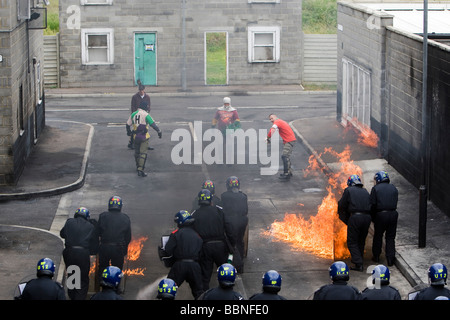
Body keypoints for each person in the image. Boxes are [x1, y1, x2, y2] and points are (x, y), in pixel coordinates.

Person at [192, 189, 235, 291]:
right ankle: (227, 294)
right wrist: (232, 244)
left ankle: (205, 296)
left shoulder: (195, 214)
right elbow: (229, 228)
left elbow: (191, 233)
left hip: (205, 247)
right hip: (221, 246)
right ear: (211, 200)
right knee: (225, 272)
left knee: (205, 277)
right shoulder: (219, 211)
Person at [60, 207, 99, 300]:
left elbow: (62, 234)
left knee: (72, 276)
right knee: (82, 280)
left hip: (69, 253)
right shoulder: (90, 226)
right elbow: (94, 246)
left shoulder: (69, 222)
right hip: (82, 254)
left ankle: (72, 296)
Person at [165, 210, 204, 299]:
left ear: (180, 222)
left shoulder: (176, 234)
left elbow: (168, 250)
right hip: (195, 266)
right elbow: (202, 253)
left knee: (168, 289)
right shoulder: (197, 235)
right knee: (199, 293)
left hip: (179, 265)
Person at [337, 174, 372, 271]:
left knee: (352, 242)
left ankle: (358, 262)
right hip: (367, 218)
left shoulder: (348, 190)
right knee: (361, 240)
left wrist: (346, 220)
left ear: (349, 183)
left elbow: (341, 205)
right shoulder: (365, 191)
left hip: (355, 217)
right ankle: (359, 262)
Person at [97, 196, 132, 278]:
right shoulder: (125, 218)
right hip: (118, 248)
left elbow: (97, 232)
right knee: (117, 269)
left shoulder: (103, 216)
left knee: (102, 267)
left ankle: (102, 285)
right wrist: (124, 249)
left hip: (104, 247)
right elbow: (128, 237)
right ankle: (115, 287)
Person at [126, 100, 162, 177]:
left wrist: (129, 132)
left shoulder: (133, 114)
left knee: (137, 153)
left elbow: (128, 124)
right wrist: (159, 132)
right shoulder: (146, 115)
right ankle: (140, 169)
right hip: (144, 136)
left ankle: (137, 166)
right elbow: (153, 125)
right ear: (145, 107)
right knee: (143, 153)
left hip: (135, 137)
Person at [370, 171, 399, 266]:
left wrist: (373, 218)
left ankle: (376, 256)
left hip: (381, 214)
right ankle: (390, 259)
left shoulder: (375, 189)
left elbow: (372, 205)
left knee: (378, 236)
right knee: (390, 237)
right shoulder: (393, 188)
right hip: (393, 214)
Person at [220, 176, 248, 273]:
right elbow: (246, 210)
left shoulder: (224, 196)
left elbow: (221, 210)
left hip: (230, 221)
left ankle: (232, 262)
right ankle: (240, 260)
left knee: (230, 242)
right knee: (239, 241)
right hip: (242, 220)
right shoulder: (243, 196)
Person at [266, 114, 296, 180]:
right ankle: (289, 172)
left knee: (284, 156)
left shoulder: (277, 122)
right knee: (286, 156)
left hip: (289, 140)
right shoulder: (280, 121)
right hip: (290, 140)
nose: (271, 120)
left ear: (275, 117)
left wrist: (268, 137)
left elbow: (272, 130)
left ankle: (286, 174)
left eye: (272, 118)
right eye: (270, 119)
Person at [128, 84, 151, 149]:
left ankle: (145, 144)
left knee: (145, 129)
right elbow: (133, 106)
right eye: (140, 90)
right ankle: (131, 143)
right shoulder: (135, 97)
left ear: (144, 90)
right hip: (136, 115)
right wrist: (134, 114)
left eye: (142, 90)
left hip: (144, 116)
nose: (141, 91)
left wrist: (147, 113)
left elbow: (148, 106)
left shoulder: (147, 97)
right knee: (135, 130)